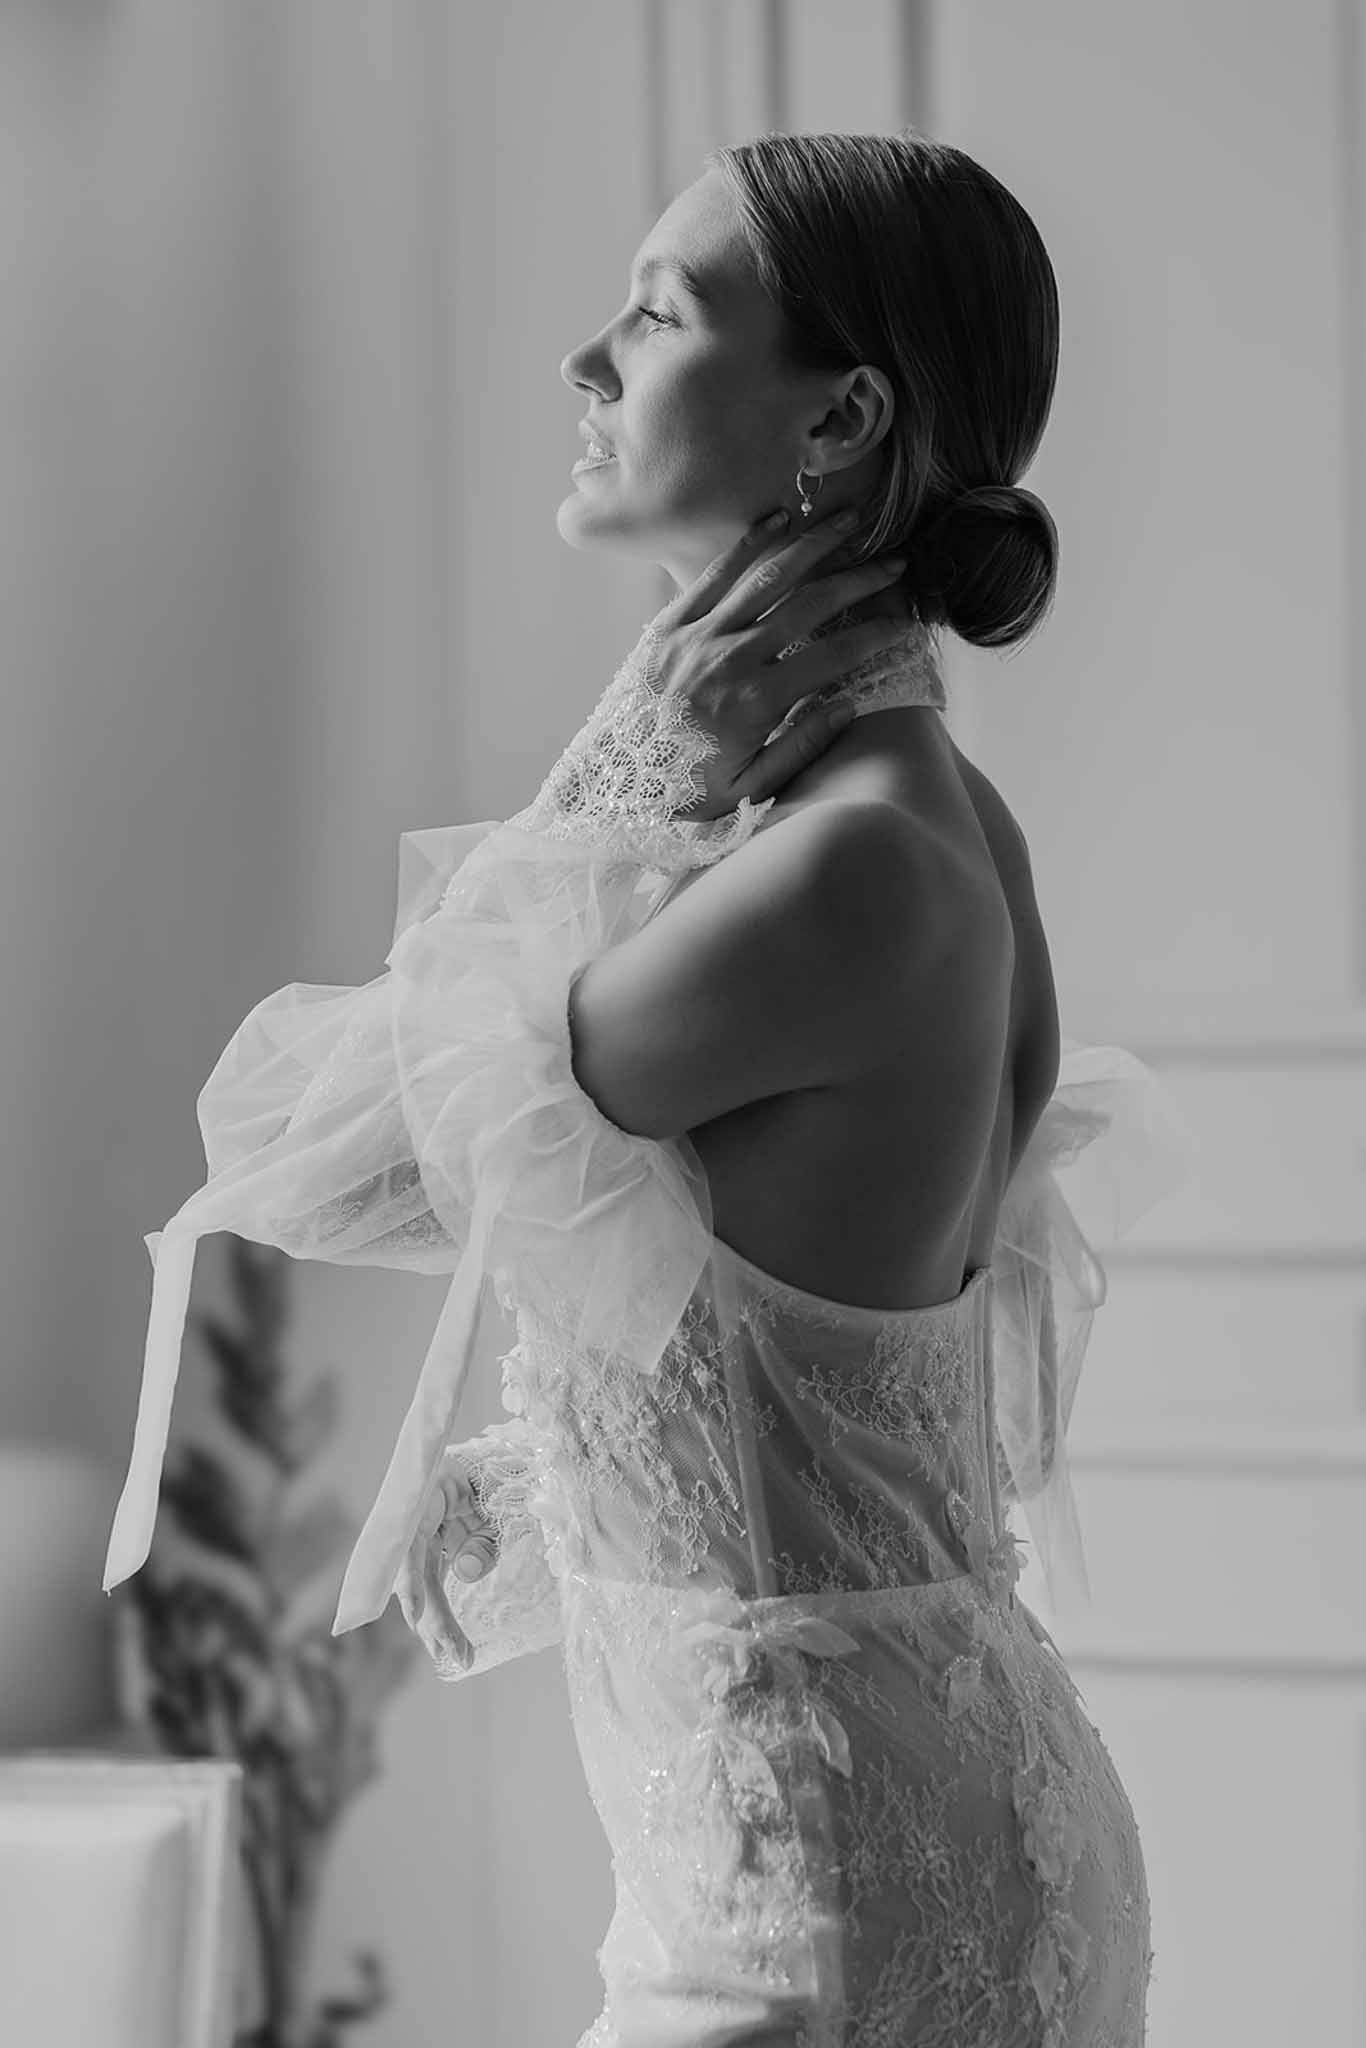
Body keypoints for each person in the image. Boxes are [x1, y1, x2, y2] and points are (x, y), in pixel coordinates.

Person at [103, 129, 1188, 2046]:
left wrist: (617, 766)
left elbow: (313, 1163)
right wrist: (585, 1481)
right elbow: (854, 1370)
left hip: (811, 1896)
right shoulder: (931, 827)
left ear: (837, 420)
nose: (579, 366)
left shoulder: (831, 871)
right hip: (895, 1831)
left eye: (657, 310)